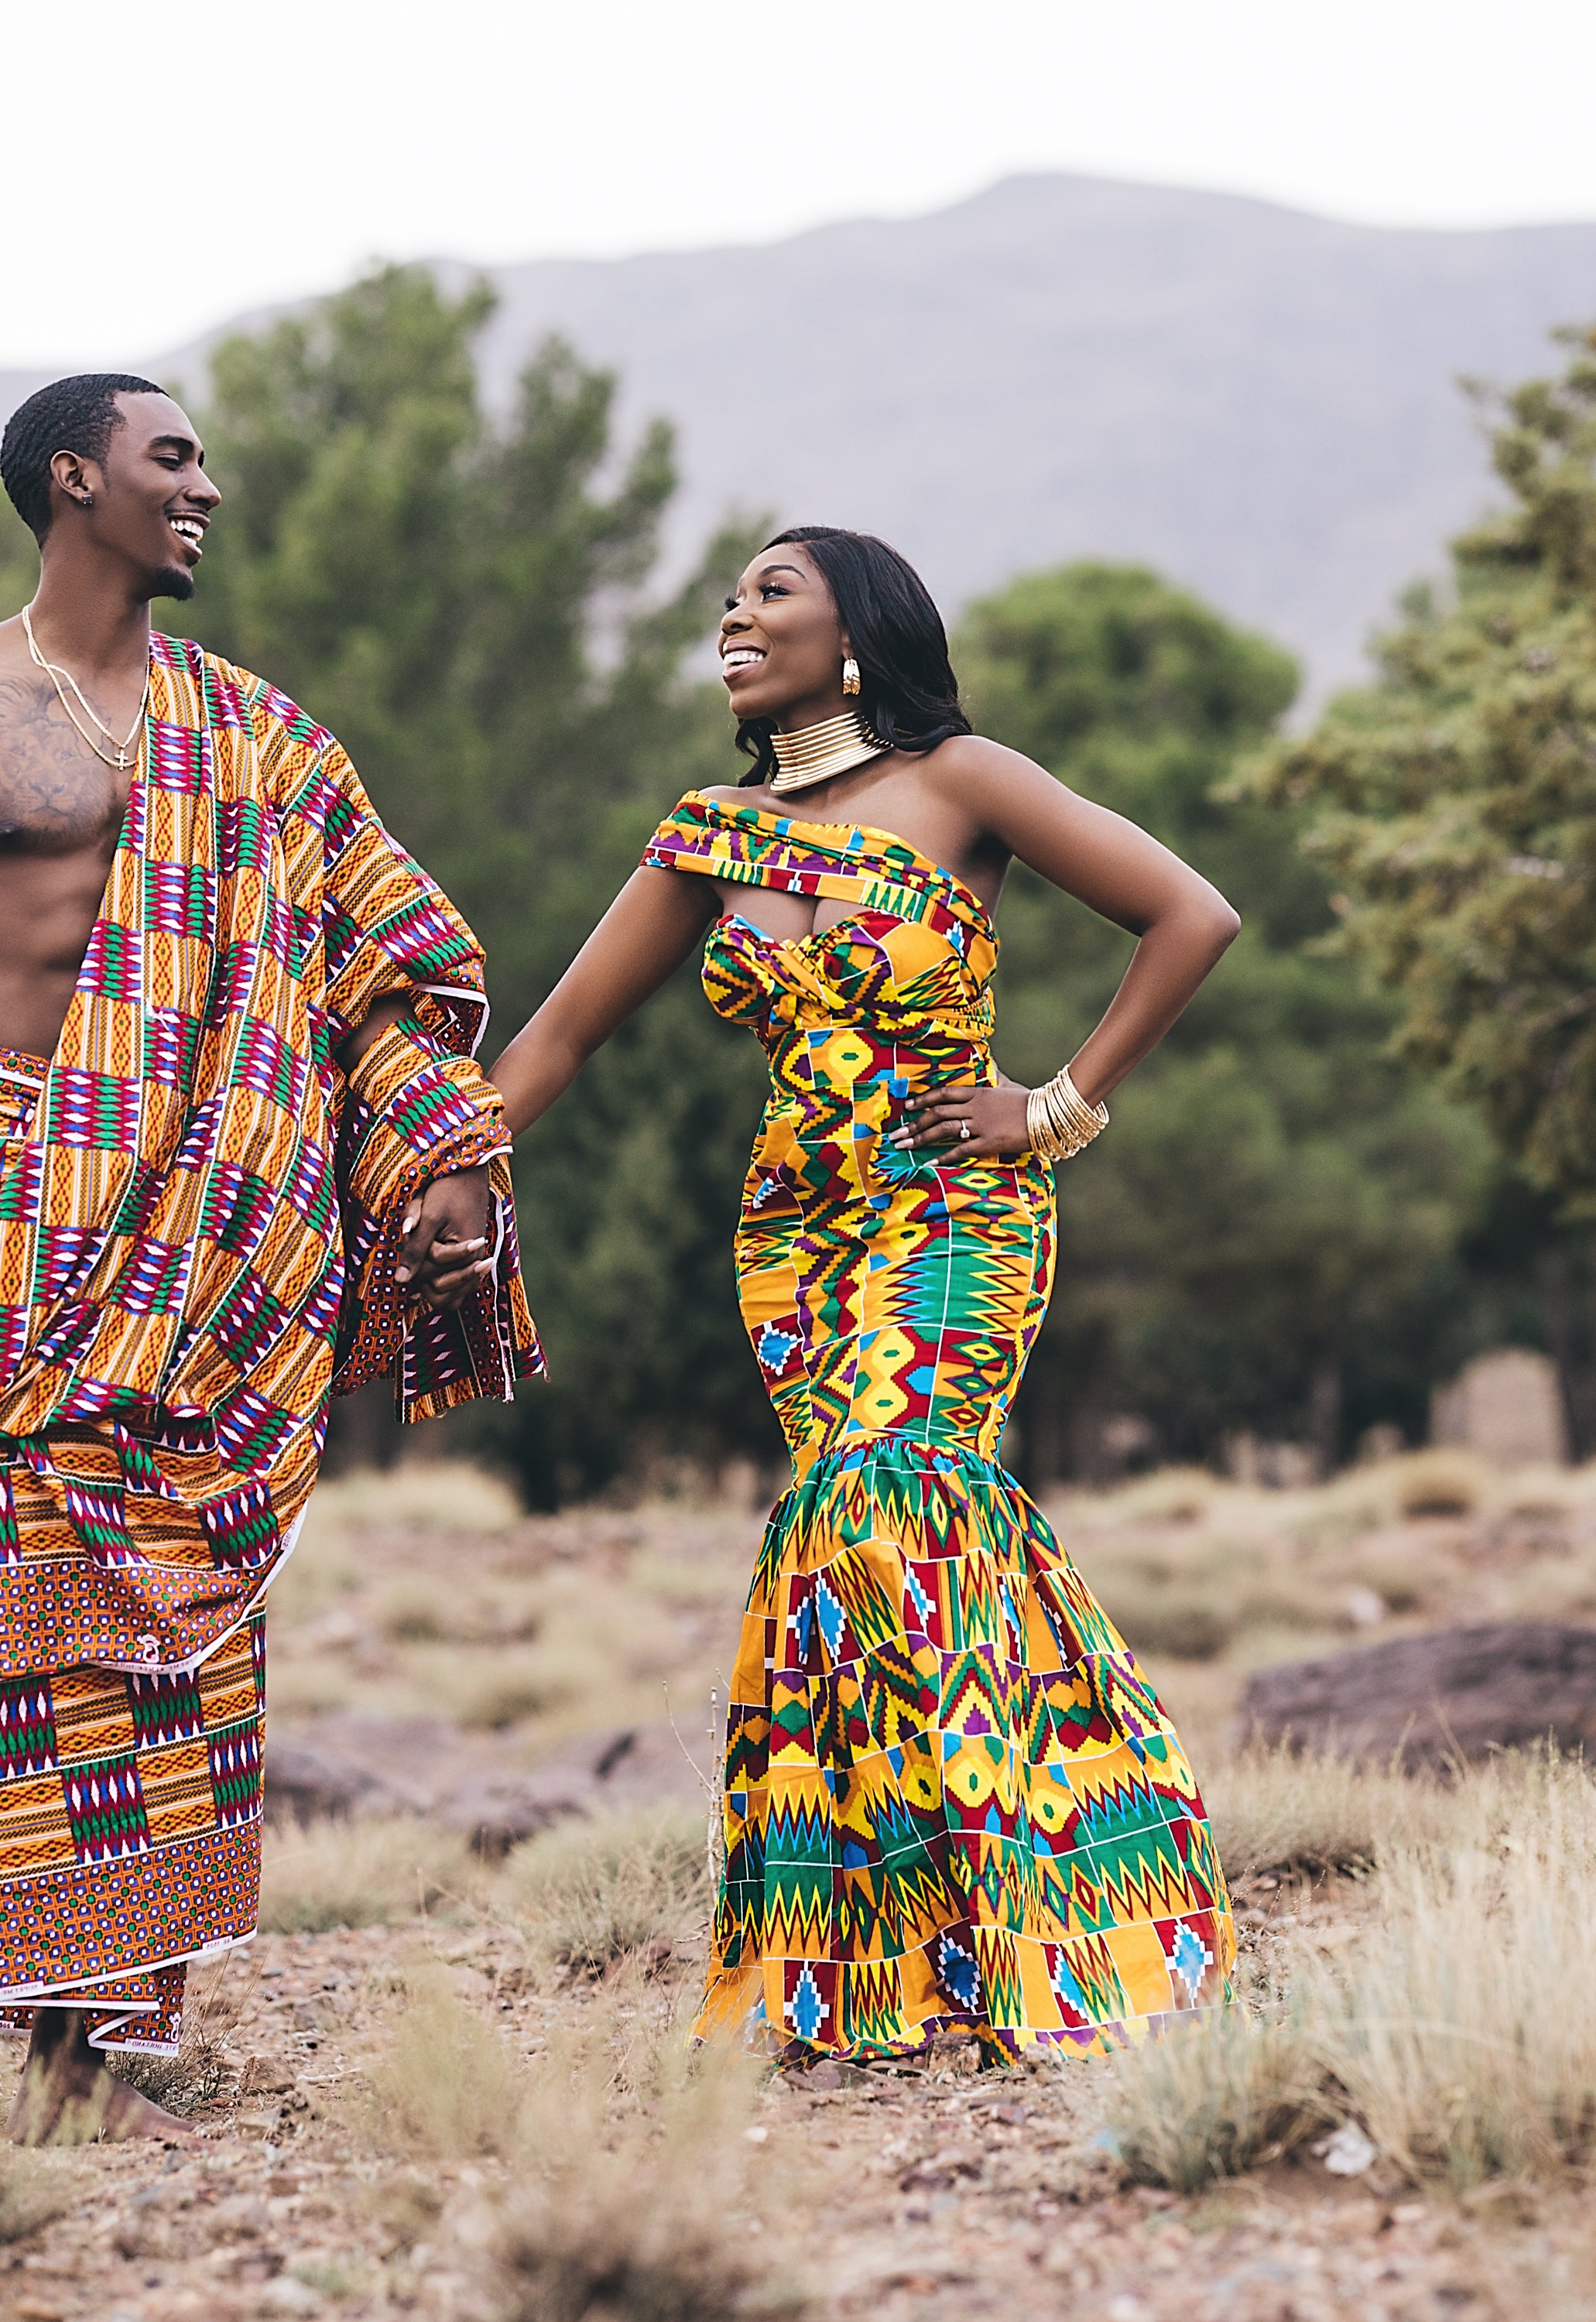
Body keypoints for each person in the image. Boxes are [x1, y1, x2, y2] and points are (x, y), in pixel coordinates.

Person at [0, 372, 539, 2144]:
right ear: (77, 477)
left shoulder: (257, 733)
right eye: (172, 457)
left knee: (157, 1622)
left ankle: (76, 2066)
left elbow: (382, 971)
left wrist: (444, 1148)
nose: (205, 486)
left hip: (208, 1245)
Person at [486, 526, 1241, 2060]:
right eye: (731, 596)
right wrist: (438, 1168)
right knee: (847, 1553)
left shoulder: (964, 780)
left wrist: (1056, 1106)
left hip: (955, 1204)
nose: (734, 613)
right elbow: (558, 1037)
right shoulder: (711, 835)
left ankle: (1077, 1901)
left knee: (896, 1495)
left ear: (857, 634)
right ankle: (886, 1962)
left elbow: (1192, 915)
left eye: (772, 591)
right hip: (798, 1235)